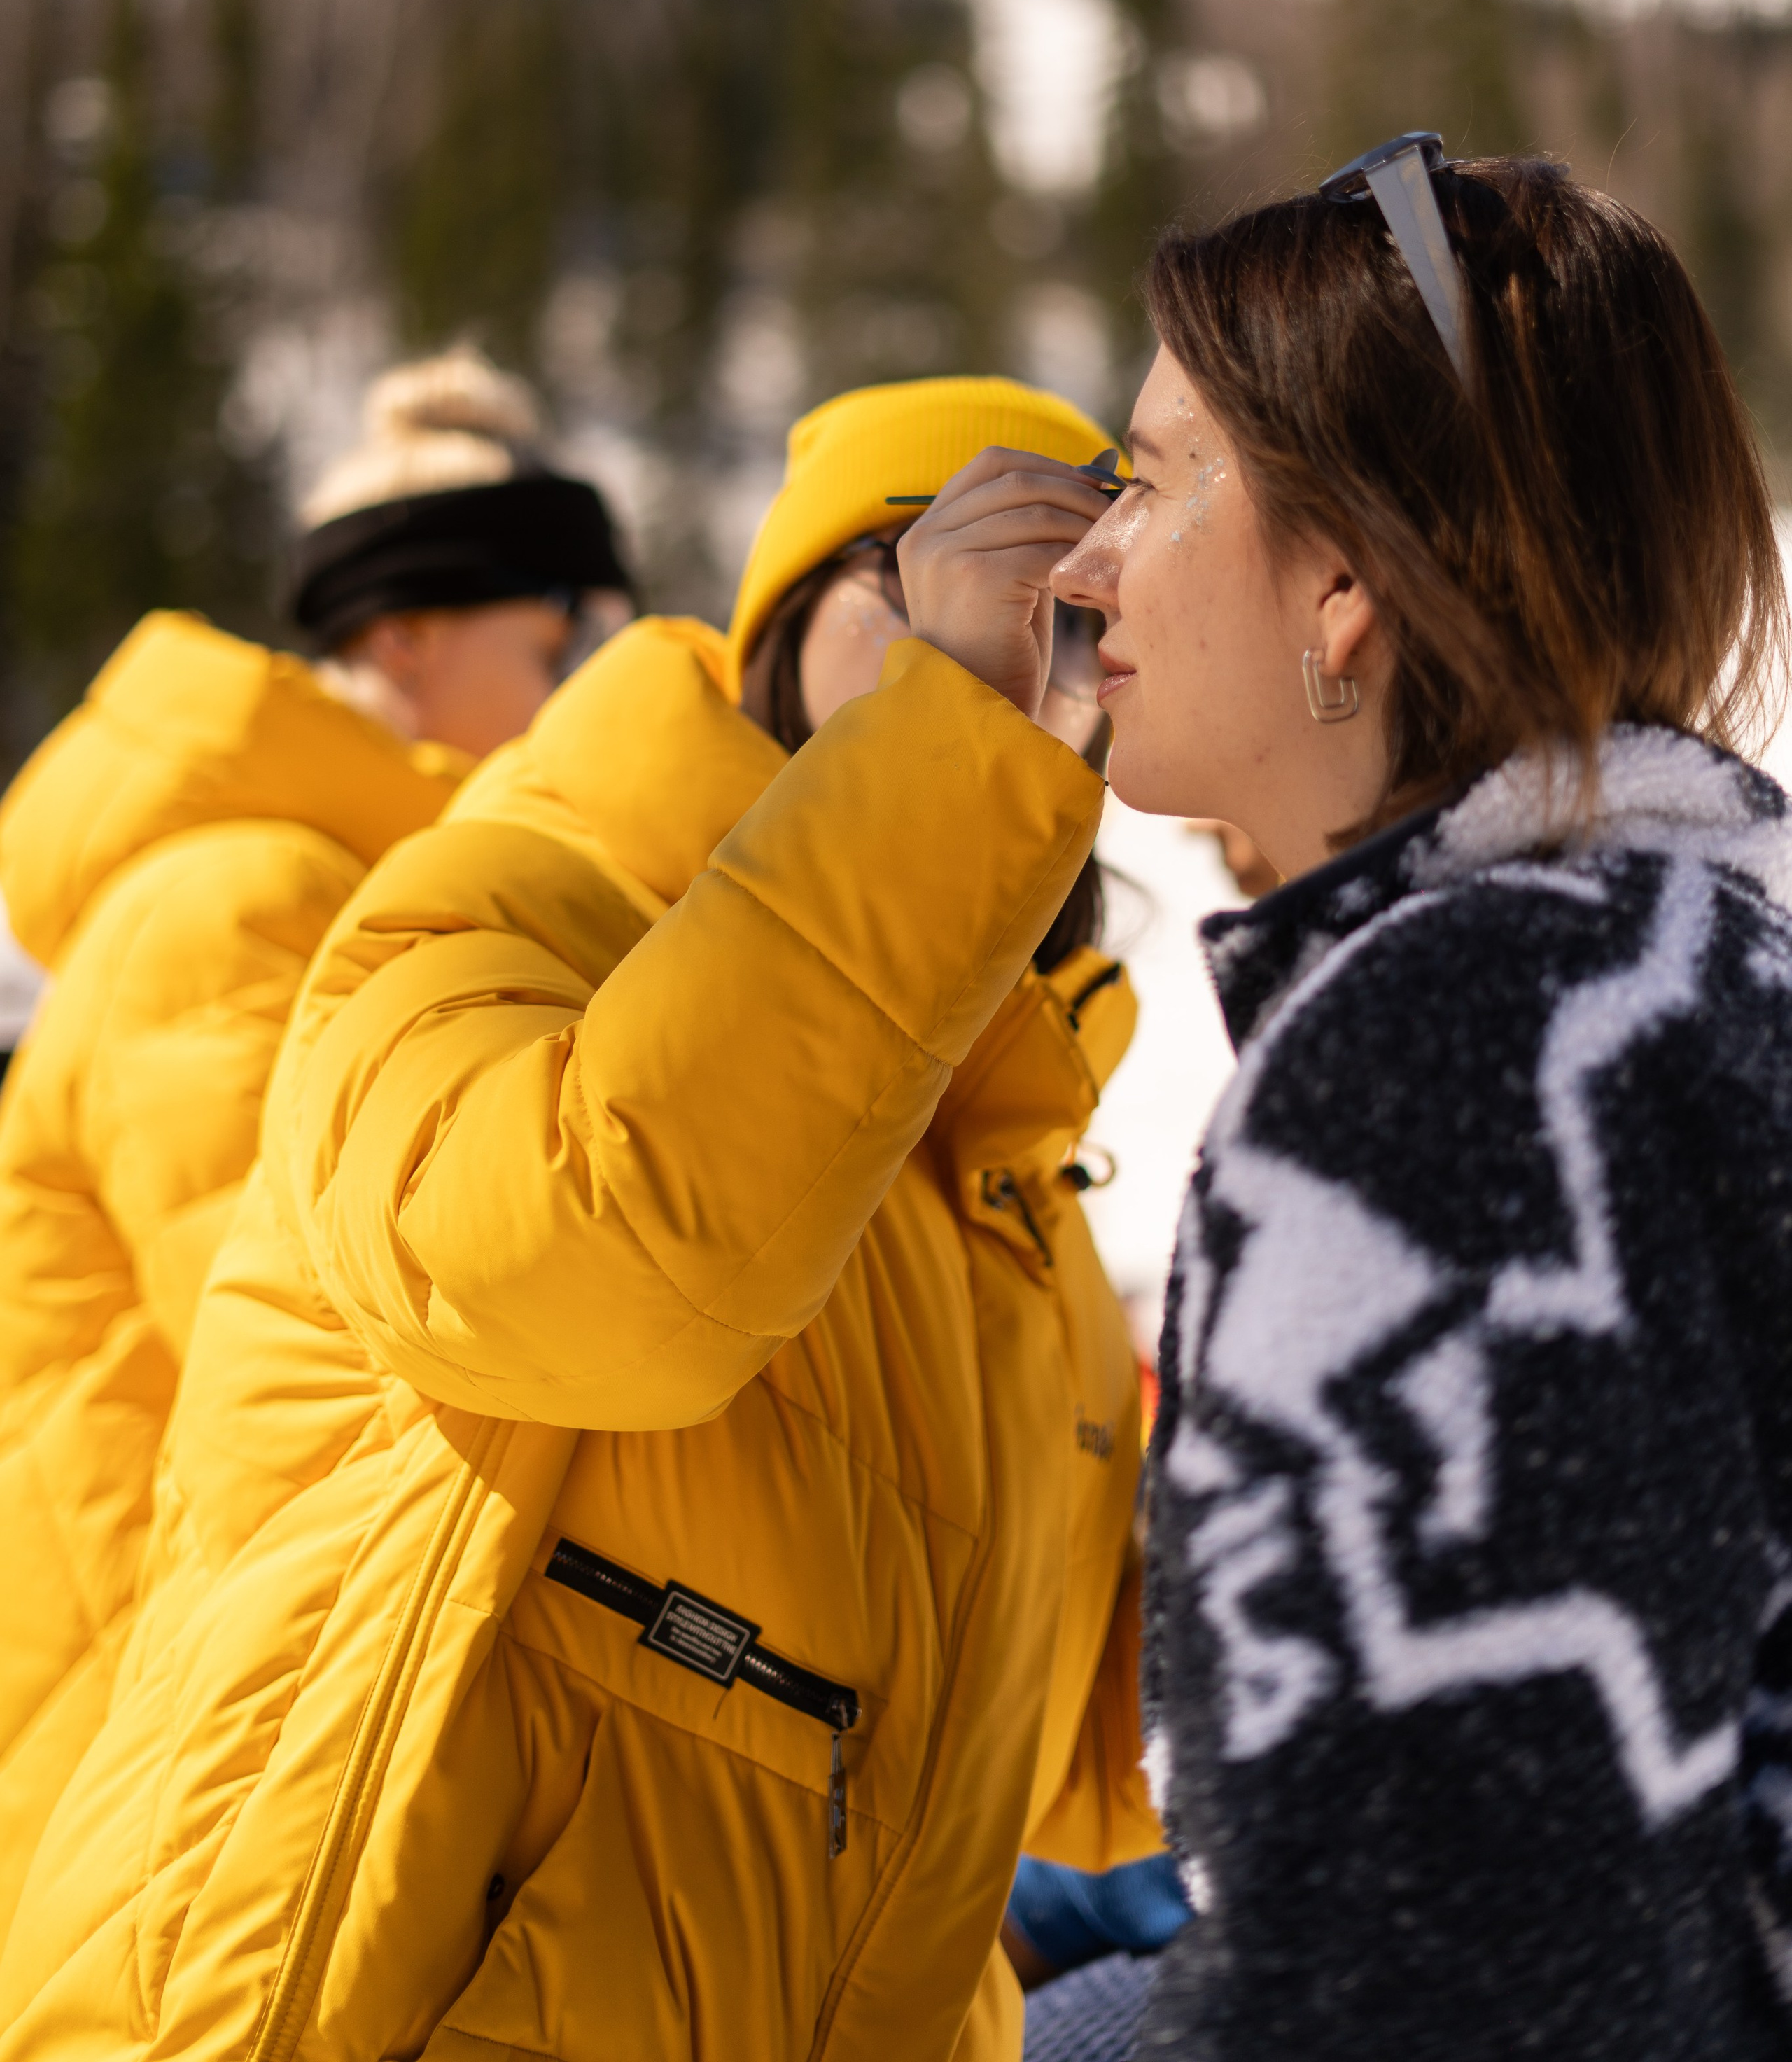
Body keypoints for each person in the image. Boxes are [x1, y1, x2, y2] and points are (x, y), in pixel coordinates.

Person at [0, 376, 1163, 2062]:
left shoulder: (998, 1190)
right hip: (272, 1897)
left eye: (1087, 616)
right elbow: (573, 1286)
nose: (1010, 643)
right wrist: (957, 741)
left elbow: (1061, 1738)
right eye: (920, 581)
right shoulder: (450, 920)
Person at [1039, 137, 1792, 2056]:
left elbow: (1435, 1974)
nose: (1080, 563)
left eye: (1153, 477)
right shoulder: (1678, 966)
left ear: (1348, 580)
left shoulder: (1460, 1061)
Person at [0, 345, 630, 1945]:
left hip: (224, 1747)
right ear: (404, 637)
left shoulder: (363, 894)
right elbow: (342, 1350)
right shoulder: (236, 905)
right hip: (139, 1780)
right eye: (556, 647)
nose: (586, 699)